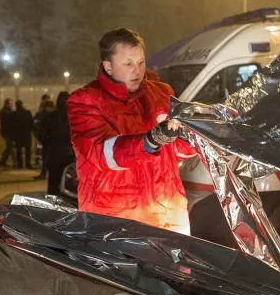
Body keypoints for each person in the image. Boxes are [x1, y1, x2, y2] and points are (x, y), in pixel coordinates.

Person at [68, 28, 195, 233]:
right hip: (116, 223)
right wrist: (151, 140)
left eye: (141, 62)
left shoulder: (162, 93)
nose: (137, 70)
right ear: (108, 66)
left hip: (169, 215)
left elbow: (179, 150)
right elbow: (101, 154)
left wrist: (191, 135)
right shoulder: (85, 101)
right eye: (128, 64)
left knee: (176, 266)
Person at [44, 91, 75, 196]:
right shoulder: (75, 116)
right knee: (70, 181)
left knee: (53, 180)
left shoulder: (50, 117)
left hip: (54, 153)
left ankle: (53, 205)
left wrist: (48, 144)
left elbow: (42, 134)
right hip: (71, 153)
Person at [33, 94, 56, 180]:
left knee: (45, 156)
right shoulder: (56, 113)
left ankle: (44, 173)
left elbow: (36, 124)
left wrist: (39, 137)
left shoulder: (42, 113)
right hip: (54, 140)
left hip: (45, 140)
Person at [12, 99, 35, 170]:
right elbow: (31, 123)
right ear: (22, 104)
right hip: (27, 134)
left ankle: (20, 165)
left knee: (19, 150)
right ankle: (28, 164)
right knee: (28, 150)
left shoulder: (14, 114)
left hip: (18, 135)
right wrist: (31, 130)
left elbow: (12, 125)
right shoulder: (28, 112)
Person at [0, 98, 16, 168]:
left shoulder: (7, 111)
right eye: (10, 104)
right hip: (7, 133)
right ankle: (15, 163)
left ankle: (2, 161)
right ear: (6, 104)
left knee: (9, 148)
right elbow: (7, 122)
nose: (11, 105)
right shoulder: (4, 112)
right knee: (11, 146)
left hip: (9, 133)